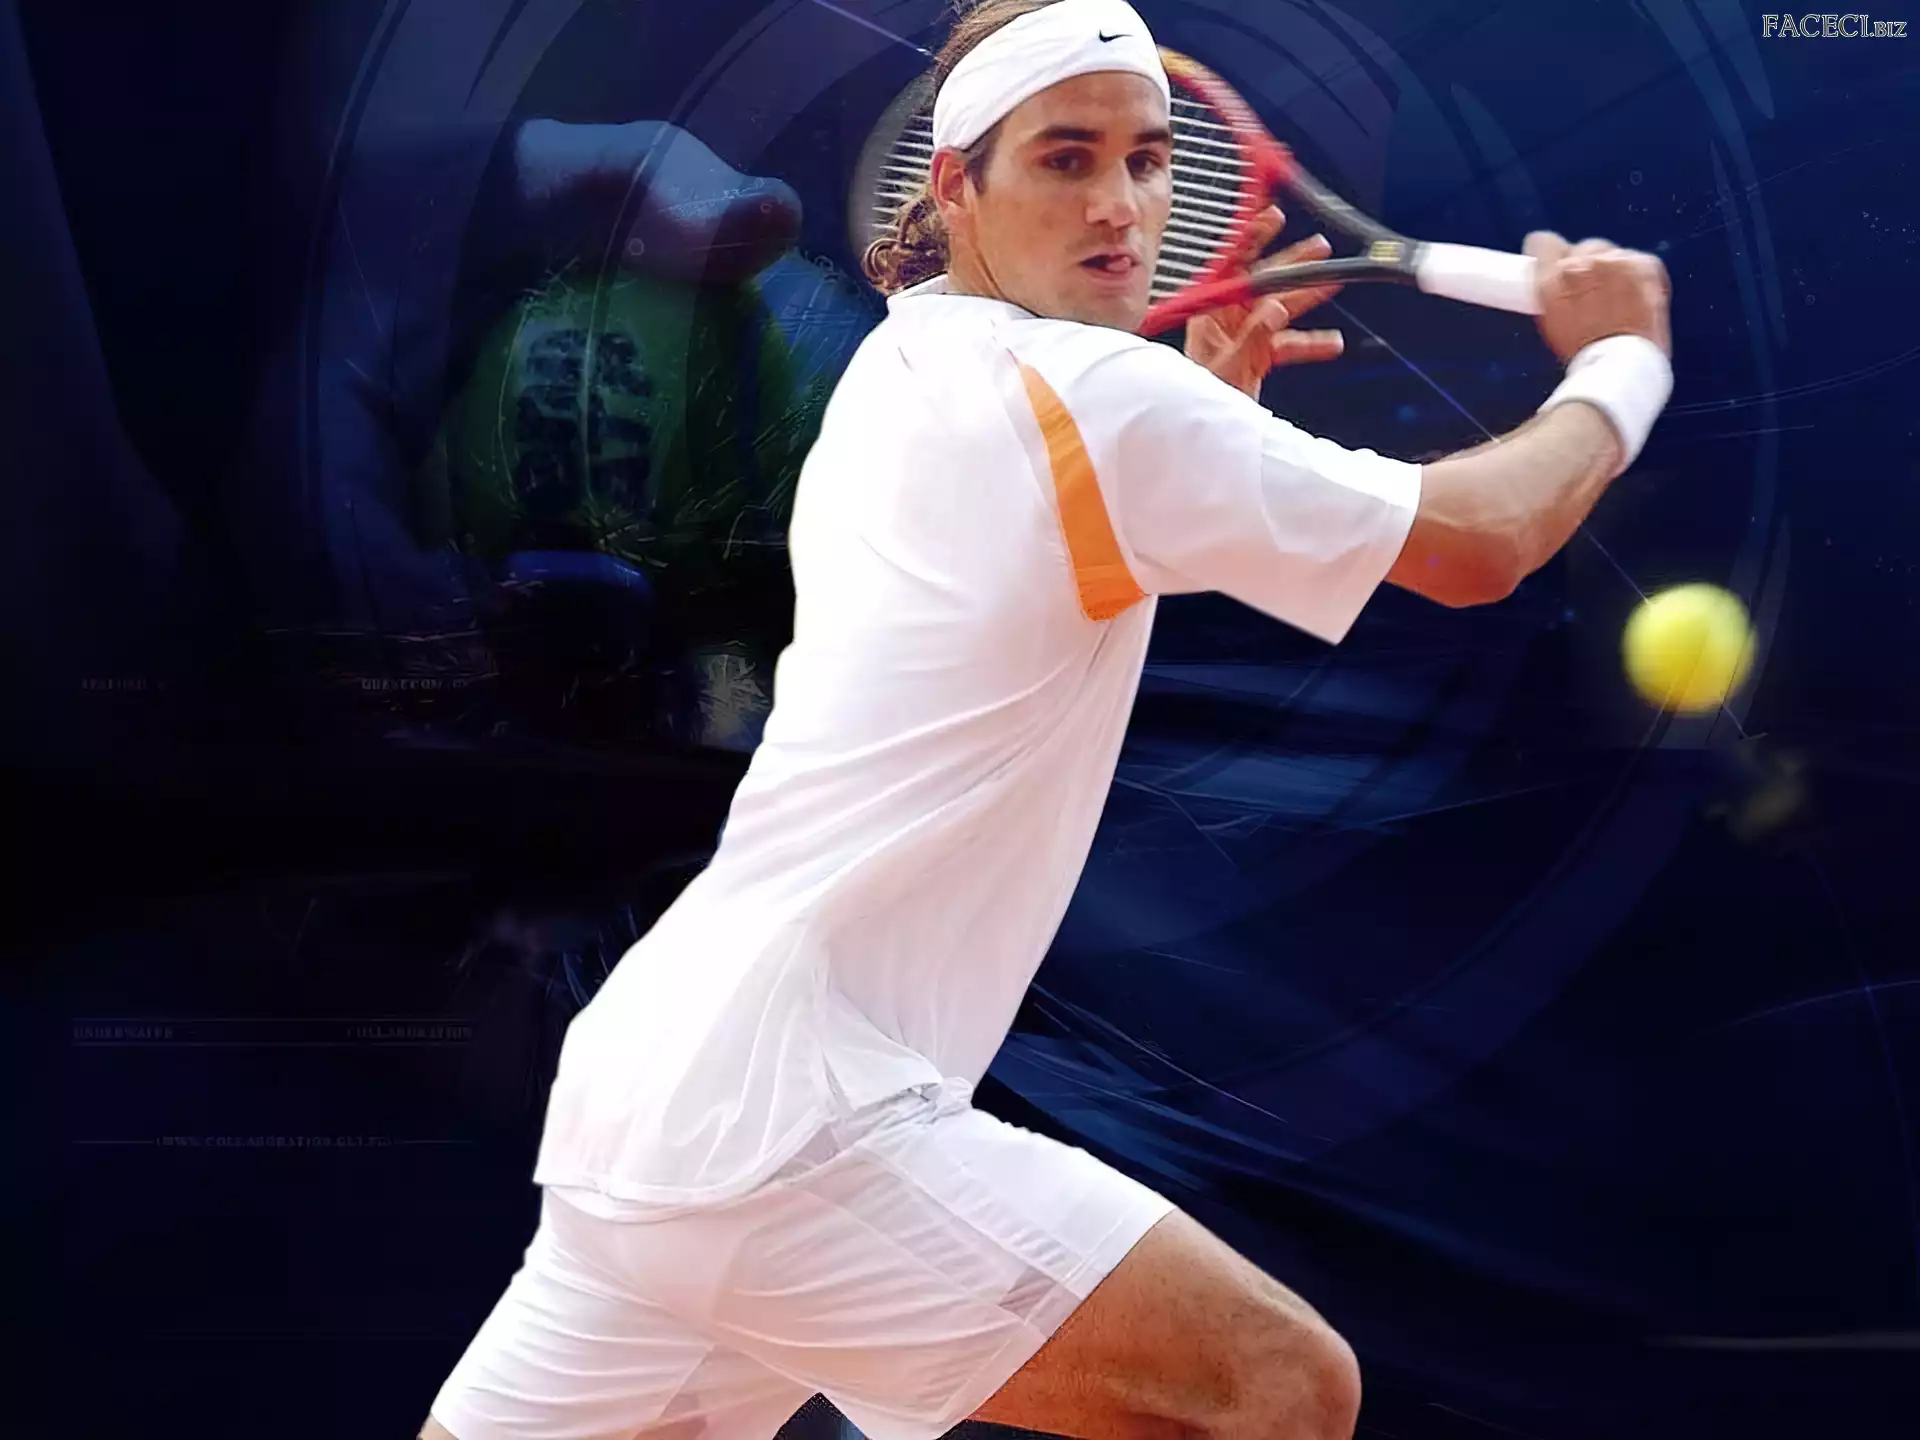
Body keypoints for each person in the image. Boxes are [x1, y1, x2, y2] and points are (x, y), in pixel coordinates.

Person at [422, 1, 1673, 1437]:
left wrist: (1199, 433)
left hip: (654, 1106)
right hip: (789, 1126)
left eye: (1148, 158)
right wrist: (1621, 364)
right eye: (1065, 159)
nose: (1121, 204)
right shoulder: (1092, 393)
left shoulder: (902, 364)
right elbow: (1479, 543)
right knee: (1273, 1390)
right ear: (955, 186)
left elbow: (1039, 550)